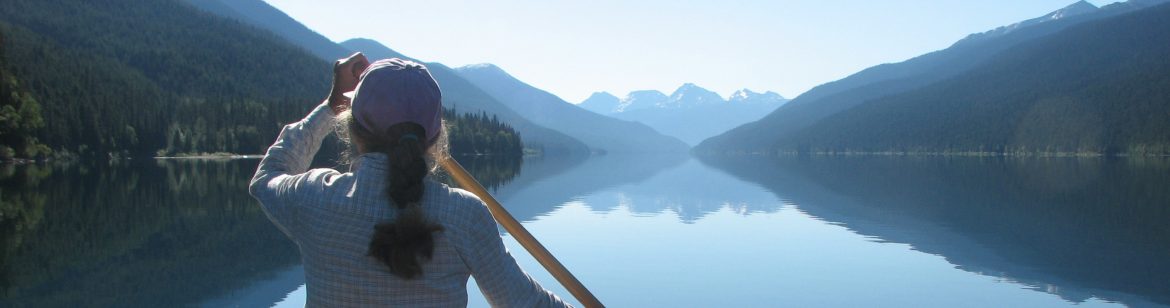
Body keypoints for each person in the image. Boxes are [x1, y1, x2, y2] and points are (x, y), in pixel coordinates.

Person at [249, 52, 570, 307]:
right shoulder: (464, 215)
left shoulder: (315, 198)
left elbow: (268, 177)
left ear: (352, 129)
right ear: (435, 137)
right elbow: (525, 303)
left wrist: (329, 107)